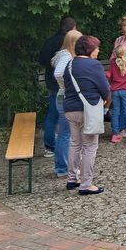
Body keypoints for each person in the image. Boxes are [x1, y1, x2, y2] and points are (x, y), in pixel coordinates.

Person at [62, 35, 110, 195]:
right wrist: (105, 101)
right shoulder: (94, 65)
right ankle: (86, 184)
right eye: (96, 48)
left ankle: (72, 179)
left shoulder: (69, 64)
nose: (98, 51)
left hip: (70, 109)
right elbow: (105, 89)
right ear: (89, 49)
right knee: (89, 146)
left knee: (75, 144)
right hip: (88, 110)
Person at [38, 16, 77, 157]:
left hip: (50, 81)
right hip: (64, 84)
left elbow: (42, 61)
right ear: (73, 28)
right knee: (65, 118)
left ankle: (49, 146)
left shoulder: (49, 41)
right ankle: (63, 147)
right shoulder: (69, 43)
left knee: (52, 114)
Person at [52, 29, 83, 178]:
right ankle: (63, 168)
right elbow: (58, 73)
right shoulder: (66, 56)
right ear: (72, 42)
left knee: (63, 134)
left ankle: (60, 166)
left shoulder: (63, 54)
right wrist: (67, 85)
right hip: (65, 97)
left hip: (61, 96)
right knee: (66, 135)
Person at [106, 45, 126, 144]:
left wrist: (111, 84)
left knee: (116, 112)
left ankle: (115, 135)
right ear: (125, 52)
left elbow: (108, 75)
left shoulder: (113, 62)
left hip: (115, 91)